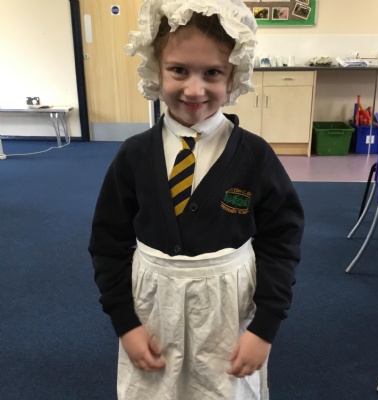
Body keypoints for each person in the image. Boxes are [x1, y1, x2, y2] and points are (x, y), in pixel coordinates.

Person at [88, 0, 304, 399]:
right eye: (179, 70)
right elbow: (107, 241)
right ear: (156, 69)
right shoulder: (134, 155)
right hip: (153, 306)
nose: (194, 89)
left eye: (212, 73)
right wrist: (125, 322)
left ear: (233, 74)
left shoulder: (255, 156)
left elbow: (282, 240)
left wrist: (265, 326)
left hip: (226, 310)